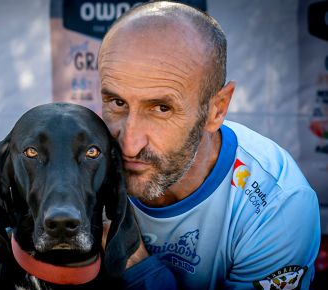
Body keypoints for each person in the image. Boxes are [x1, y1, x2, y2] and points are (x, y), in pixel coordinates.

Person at [97, 1, 321, 289]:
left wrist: (143, 275)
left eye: (162, 108)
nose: (128, 145)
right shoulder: (84, 166)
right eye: (117, 103)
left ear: (217, 109)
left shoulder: (277, 205)